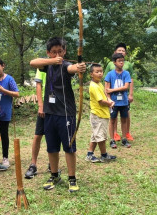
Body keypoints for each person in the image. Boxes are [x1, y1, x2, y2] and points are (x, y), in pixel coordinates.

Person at [30, 37, 86, 192]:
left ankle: (72, 178)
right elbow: (32, 62)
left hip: (65, 114)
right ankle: (54, 175)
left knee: (69, 147)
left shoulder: (66, 65)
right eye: (53, 52)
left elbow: (72, 68)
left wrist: (79, 67)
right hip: (49, 113)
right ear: (48, 53)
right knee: (52, 148)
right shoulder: (47, 66)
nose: (57, 55)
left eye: (60, 52)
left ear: (65, 51)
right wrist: (51, 61)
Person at [0, 57, 19, 167]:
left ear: (3, 65)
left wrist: (3, 90)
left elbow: (16, 94)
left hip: (4, 113)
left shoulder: (9, 79)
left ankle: (5, 157)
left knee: (4, 135)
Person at [104, 43, 134, 145]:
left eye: (122, 61)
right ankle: (112, 139)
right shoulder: (110, 74)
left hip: (124, 101)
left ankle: (124, 138)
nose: (121, 63)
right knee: (112, 120)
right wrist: (109, 99)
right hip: (113, 102)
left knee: (124, 120)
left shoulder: (126, 73)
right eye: (119, 61)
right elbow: (106, 88)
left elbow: (126, 87)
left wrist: (112, 90)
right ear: (114, 63)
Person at [86, 64, 116, 163]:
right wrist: (110, 103)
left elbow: (104, 96)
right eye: (97, 72)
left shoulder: (99, 84)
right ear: (91, 74)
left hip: (102, 114)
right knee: (101, 137)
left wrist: (109, 100)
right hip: (98, 115)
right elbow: (100, 101)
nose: (100, 73)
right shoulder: (93, 86)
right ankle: (104, 155)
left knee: (96, 135)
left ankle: (90, 154)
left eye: (101, 71)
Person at [25, 69, 48, 178]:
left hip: (58, 107)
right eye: (53, 51)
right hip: (45, 106)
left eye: (60, 51)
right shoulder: (42, 66)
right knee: (38, 135)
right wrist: (40, 105)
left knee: (54, 136)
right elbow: (39, 85)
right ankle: (33, 165)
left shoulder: (63, 65)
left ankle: (52, 164)